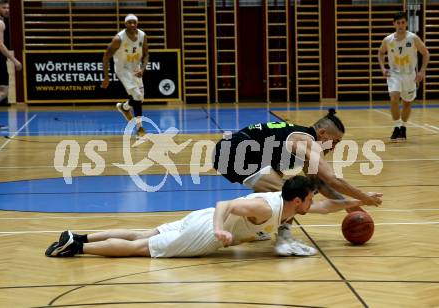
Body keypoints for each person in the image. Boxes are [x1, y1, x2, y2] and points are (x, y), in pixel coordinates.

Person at [45, 176, 381, 258]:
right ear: (298, 199)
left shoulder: (286, 202)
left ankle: (81, 235)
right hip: (206, 230)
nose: (315, 201)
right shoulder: (267, 209)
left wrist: (359, 202)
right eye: (311, 197)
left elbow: (324, 208)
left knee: (142, 230)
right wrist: (220, 231)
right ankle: (77, 248)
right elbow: (226, 205)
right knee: (142, 247)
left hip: (201, 219)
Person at [212, 109, 383, 256]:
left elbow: (321, 184)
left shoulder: (303, 142)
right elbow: (333, 179)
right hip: (234, 152)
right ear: (322, 133)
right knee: (290, 194)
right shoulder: (308, 141)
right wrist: (364, 198)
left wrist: (347, 204)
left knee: (288, 188)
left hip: (234, 151)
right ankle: (284, 240)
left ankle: (258, 227)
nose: (334, 147)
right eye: (335, 141)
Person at [378, 11, 429, 142]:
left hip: (409, 75)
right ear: (394, 24)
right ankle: (396, 127)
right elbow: (380, 53)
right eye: (398, 23)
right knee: (394, 97)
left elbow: (426, 53)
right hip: (394, 74)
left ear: (406, 23)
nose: (401, 25)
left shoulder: (413, 38)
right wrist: (383, 68)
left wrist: (421, 71)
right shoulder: (388, 40)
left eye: (403, 22)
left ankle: (403, 127)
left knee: (407, 103)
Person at [101, 14, 149, 138]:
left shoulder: (142, 36)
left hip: (136, 68)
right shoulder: (118, 39)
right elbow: (106, 56)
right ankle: (140, 129)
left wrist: (143, 69)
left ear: (137, 23)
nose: (132, 24)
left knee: (140, 99)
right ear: (125, 24)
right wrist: (106, 77)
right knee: (137, 96)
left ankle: (124, 107)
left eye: (134, 22)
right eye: (129, 22)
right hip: (122, 69)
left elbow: (146, 54)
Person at [0, 0, 21, 129]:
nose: (7, 10)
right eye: (4, 7)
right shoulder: (0, 23)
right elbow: (0, 44)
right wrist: (15, 60)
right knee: (3, 92)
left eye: (8, 7)